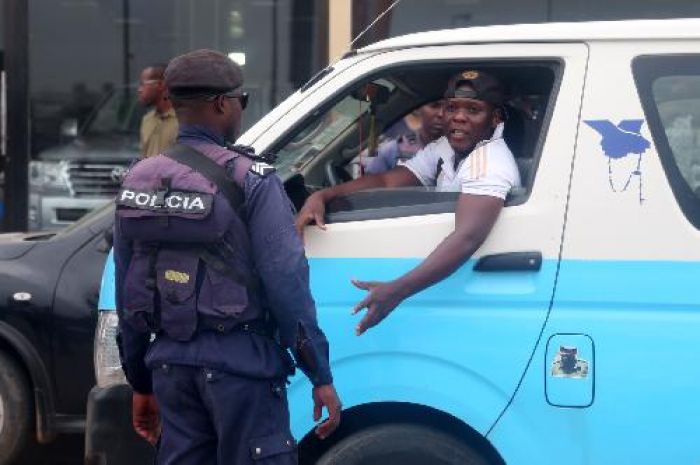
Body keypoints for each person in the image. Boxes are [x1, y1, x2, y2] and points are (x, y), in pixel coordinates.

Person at [114, 49, 341, 464]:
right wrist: (319, 375)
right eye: (242, 101)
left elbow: (128, 292)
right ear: (223, 103)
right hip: (243, 373)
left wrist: (140, 382)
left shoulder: (138, 180)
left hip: (170, 370)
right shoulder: (252, 180)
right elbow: (287, 284)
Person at [296, 70, 521, 336]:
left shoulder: (490, 163)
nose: (458, 117)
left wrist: (396, 291)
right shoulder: (447, 148)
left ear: (495, 118)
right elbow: (387, 182)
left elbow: (467, 237)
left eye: (473, 110)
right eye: (451, 108)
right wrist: (323, 195)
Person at [364, 100, 445, 174]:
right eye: (434, 106)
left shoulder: (456, 151)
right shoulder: (393, 150)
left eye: (450, 107)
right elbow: (367, 185)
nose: (442, 114)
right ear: (418, 109)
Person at [138, 64, 178, 158]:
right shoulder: (147, 120)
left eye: (142, 84)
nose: (139, 90)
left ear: (160, 85)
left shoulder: (184, 121)